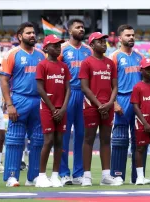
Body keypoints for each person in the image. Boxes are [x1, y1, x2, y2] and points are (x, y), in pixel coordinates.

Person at [0, 22, 46, 187]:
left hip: (38, 100)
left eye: (33, 33)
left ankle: (33, 177)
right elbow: (4, 80)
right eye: (28, 33)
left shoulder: (41, 55)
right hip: (19, 99)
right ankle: (11, 176)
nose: (32, 35)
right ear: (20, 36)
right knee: (15, 139)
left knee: (38, 139)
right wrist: (9, 104)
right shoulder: (12, 54)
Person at [79, 32, 121, 186]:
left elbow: (115, 86)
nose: (104, 44)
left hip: (108, 106)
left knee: (105, 140)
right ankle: (87, 176)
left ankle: (106, 176)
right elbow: (84, 87)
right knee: (89, 139)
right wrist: (99, 104)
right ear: (91, 45)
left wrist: (110, 103)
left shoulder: (110, 63)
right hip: (91, 106)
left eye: (104, 41)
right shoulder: (87, 63)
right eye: (99, 41)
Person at [110, 24, 148, 184]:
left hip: (138, 102)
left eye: (133, 35)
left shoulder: (140, 57)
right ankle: (117, 175)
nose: (131, 37)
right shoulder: (115, 56)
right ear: (120, 38)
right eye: (127, 35)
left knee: (140, 139)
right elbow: (109, 83)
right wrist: (114, 103)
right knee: (120, 138)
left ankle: (138, 176)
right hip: (122, 99)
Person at [59, 19, 92, 185]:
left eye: (82, 27)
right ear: (69, 30)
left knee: (81, 136)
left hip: (85, 96)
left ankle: (78, 173)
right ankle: (64, 173)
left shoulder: (89, 50)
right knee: (64, 135)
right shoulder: (62, 49)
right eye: (77, 27)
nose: (81, 29)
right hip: (67, 94)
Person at [35, 35, 70, 188]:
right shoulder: (42, 65)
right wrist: (52, 108)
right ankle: (41, 176)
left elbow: (68, 88)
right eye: (54, 45)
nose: (58, 48)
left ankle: (55, 175)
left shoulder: (64, 66)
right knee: (48, 141)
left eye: (59, 45)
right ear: (46, 48)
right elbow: (40, 89)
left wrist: (62, 109)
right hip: (47, 108)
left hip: (61, 110)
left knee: (59, 142)